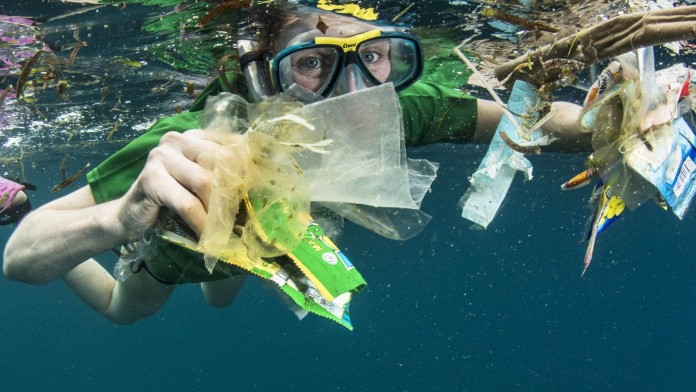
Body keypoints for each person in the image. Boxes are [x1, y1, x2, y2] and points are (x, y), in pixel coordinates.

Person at [2, 0, 588, 325]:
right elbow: (21, 259)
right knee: (122, 311)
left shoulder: (395, 112)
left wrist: (613, 120)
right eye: (312, 65)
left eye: (376, 58)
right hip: (174, 241)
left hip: (255, 244)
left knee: (224, 291)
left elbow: (529, 122)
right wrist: (116, 221)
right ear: (263, 75)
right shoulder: (194, 142)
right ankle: (16, 198)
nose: (350, 93)